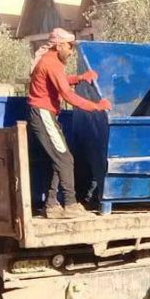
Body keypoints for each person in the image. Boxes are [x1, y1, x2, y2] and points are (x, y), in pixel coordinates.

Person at [27, 28, 111, 219]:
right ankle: (71, 204)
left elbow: (61, 82)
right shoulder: (52, 62)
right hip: (43, 114)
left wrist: (80, 78)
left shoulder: (51, 61)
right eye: (69, 47)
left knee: (60, 159)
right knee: (65, 159)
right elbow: (67, 95)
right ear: (59, 45)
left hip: (44, 114)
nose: (71, 51)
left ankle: (51, 205)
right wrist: (96, 106)